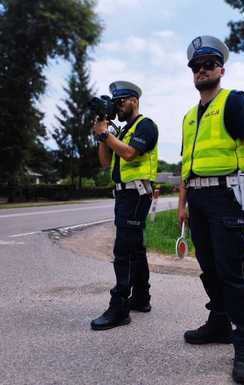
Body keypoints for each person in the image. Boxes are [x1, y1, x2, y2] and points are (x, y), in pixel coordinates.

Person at [178, 36, 244, 384]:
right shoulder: (190, 117)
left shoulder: (234, 102)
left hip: (227, 197)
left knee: (232, 271)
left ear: (221, 69)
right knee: (209, 268)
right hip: (199, 201)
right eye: (196, 66)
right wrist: (183, 206)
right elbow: (187, 165)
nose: (202, 70)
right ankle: (219, 323)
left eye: (209, 64)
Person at [90, 81, 158, 331]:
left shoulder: (146, 125)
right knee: (136, 248)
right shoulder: (122, 131)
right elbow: (105, 162)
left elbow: (130, 154)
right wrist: (102, 136)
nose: (117, 107)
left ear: (134, 101)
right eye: (115, 103)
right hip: (124, 195)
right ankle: (141, 298)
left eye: (121, 102)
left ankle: (119, 307)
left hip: (137, 194)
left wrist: (107, 134)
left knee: (123, 251)